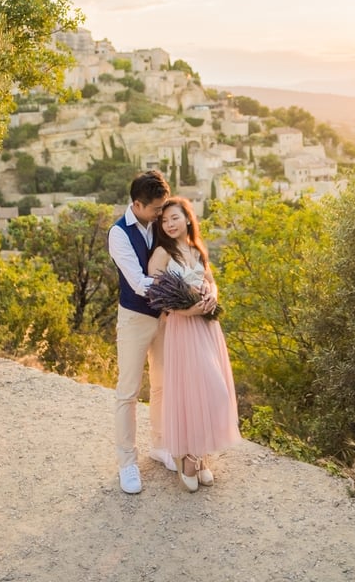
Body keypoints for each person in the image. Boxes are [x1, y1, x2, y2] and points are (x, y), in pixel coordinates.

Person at [148, 196, 242, 492]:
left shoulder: (197, 249)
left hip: (207, 327)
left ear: (187, 218)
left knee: (214, 391)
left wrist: (213, 294)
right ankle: (189, 459)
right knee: (194, 392)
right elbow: (155, 294)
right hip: (182, 328)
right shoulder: (163, 253)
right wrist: (186, 309)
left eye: (174, 218)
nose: (169, 224)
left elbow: (210, 280)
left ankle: (200, 457)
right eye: (164, 221)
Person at [108, 169, 178, 495]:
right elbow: (138, 283)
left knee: (162, 385)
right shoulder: (119, 234)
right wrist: (182, 289)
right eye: (155, 209)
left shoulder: (156, 224)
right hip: (135, 320)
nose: (160, 214)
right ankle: (127, 463)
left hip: (162, 319)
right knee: (129, 392)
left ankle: (160, 445)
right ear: (137, 204)